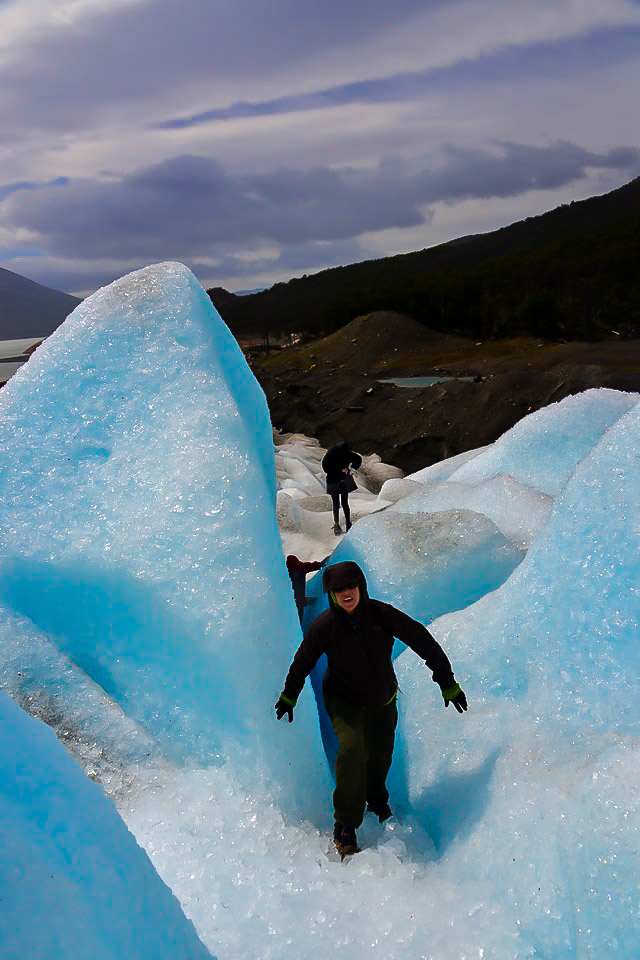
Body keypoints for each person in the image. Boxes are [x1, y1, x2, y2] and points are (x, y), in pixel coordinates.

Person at [274, 560, 467, 858]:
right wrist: (289, 696)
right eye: (338, 589)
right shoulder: (325, 626)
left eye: (350, 586)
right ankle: (345, 823)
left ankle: (376, 799)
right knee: (352, 749)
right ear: (331, 594)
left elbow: (421, 640)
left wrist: (447, 681)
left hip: (383, 699)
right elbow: (303, 660)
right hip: (344, 700)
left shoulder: (381, 615)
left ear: (360, 586)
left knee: (380, 753)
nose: (346, 593)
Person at [321, 442, 362, 536]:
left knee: (341, 503)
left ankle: (345, 524)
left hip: (340, 480)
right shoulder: (331, 454)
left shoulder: (343, 453)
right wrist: (340, 470)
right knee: (340, 503)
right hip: (335, 480)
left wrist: (353, 469)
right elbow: (326, 468)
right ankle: (340, 524)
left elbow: (358, 459)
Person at [286, 554, 327, 624]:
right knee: (297, 619)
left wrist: (320, 564)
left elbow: (311, 566)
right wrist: (306, 601)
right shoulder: (299, 569)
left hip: (297, 602)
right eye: (294, 572)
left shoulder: (299, 568)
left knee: (297, 619)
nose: (295, 573)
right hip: (295, 603)